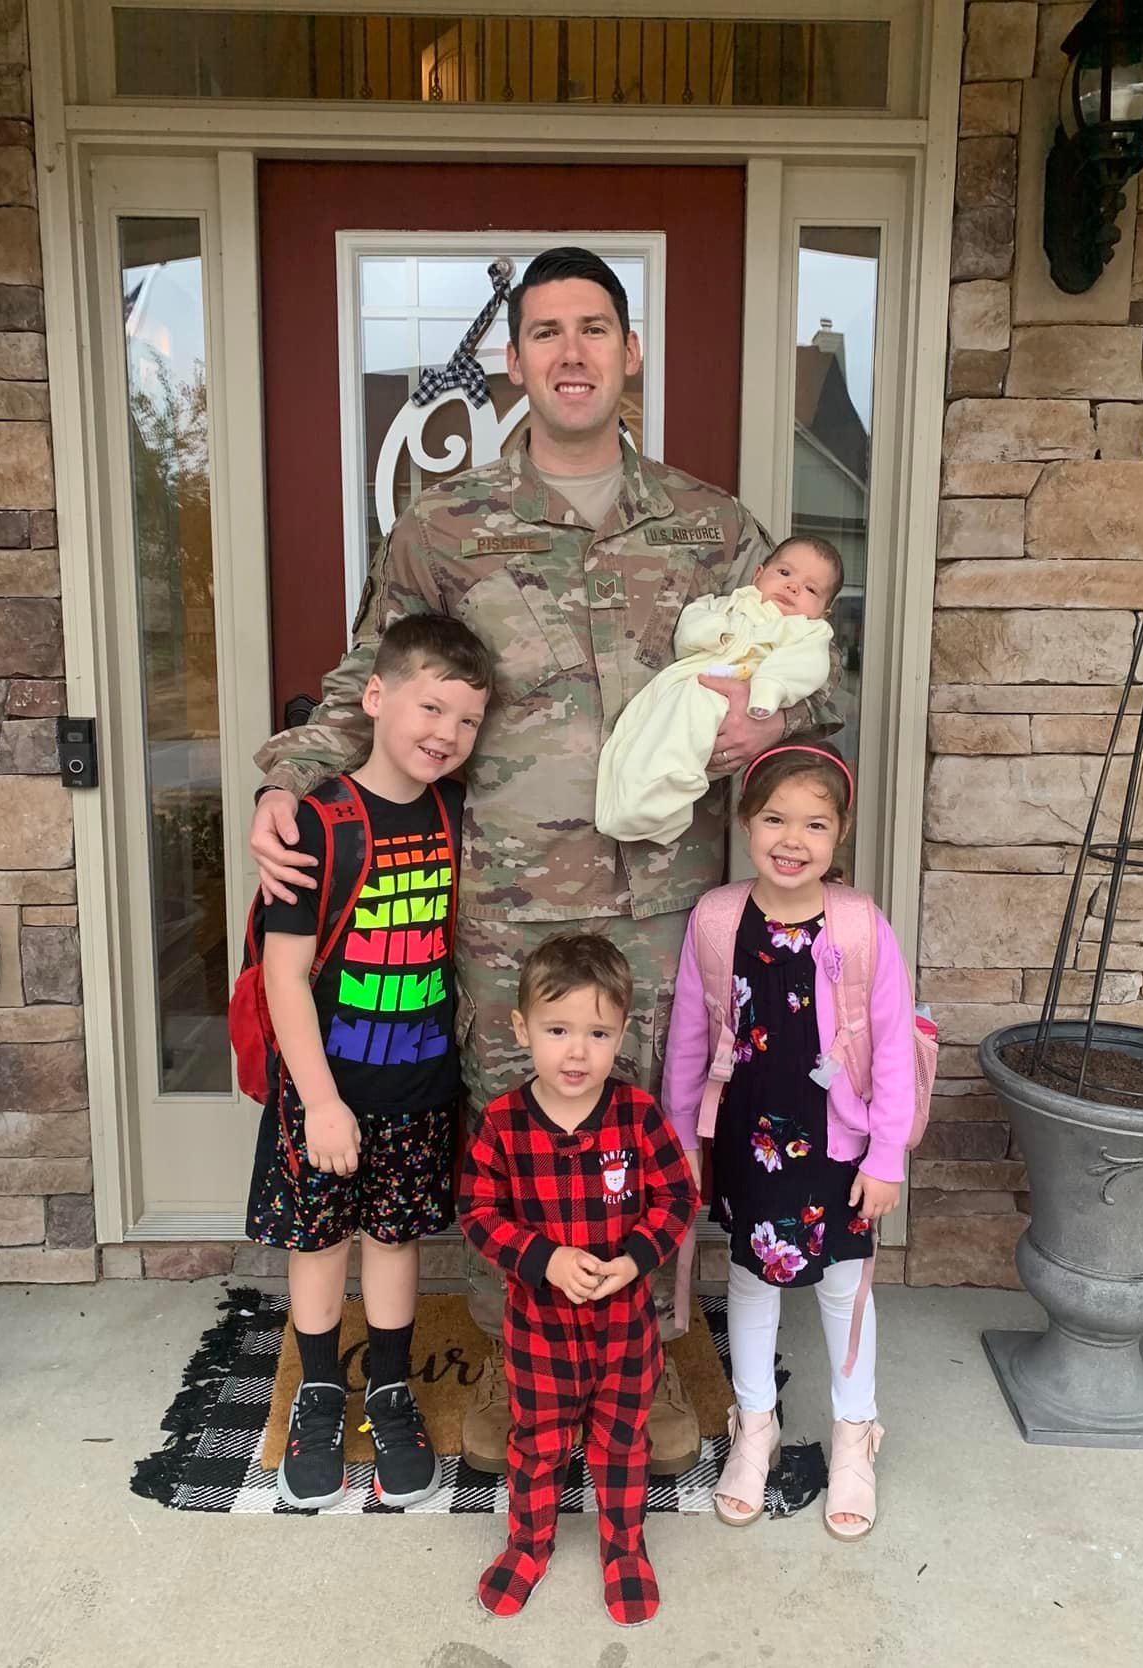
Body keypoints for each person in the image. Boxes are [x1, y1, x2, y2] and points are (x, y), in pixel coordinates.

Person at [248, 245, 839, 1476]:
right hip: (505, 908)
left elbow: (805, 688)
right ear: (516, 364)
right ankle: (524, 1375)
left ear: (631, 357)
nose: (572, 352)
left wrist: (770, 729)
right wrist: (287, 775)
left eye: (595, 329)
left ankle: (641, 1372)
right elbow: (372, 684)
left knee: (650, 1139)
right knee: (516, 1136)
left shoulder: (714, 528)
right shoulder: (445, 527)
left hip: (664, 910)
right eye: (547, 332)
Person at [244, 614, 492, 1509]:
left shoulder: (457, 812)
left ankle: (389, 1391)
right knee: (319, 1244)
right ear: (377, 698)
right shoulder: (316, 823)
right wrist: (319, 1103)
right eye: (431, 707)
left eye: (467, 720)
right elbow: (285, 975)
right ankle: (318, 1392)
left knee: (394, 1239)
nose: (446, 734)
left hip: (419, 1084)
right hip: (328, 1090)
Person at [661, 736, 916, 1539]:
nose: (792, 840)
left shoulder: (860, 926)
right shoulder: (717, 920)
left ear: (838, 836)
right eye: (774, 818)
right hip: (746, 1139)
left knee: (845, 1287)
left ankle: (854, 1434)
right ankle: (756, 1425)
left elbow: (897, 1053)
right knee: (751, 1281)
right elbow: (688, 1041)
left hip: (838, 1146)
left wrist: (885, 1157)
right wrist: (679, 1145)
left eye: (814, 824)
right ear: (744, 822)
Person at [457, 935, 698, 1623]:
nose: (576, 1052)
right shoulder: (503, 1125)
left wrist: (634, 1259)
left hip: (624, 1327)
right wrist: (546, 1260)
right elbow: (476, 1213)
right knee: (535, 1443)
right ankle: (527, 1543)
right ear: (521, 1028)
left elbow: (677, 1200)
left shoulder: (637, 1116)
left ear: (621, 1033)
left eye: (598, 1033)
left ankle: (623, 1547)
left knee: (623, 1443)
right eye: (558, 1030)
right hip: (538, 1331)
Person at [595, 536, 843, 844]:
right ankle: (633, 797)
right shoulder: (731, 604)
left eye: (811, 589)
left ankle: (665, 796)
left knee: (697, 717)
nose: (793, 587)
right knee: (644, 732)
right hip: (700, 675)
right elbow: (691, 624)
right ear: (757, 576)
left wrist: (768, 691)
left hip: (743, 689)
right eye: (784, 573)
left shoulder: (807, 631)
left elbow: (806, 667)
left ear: (824, 612)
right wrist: (721, 635)